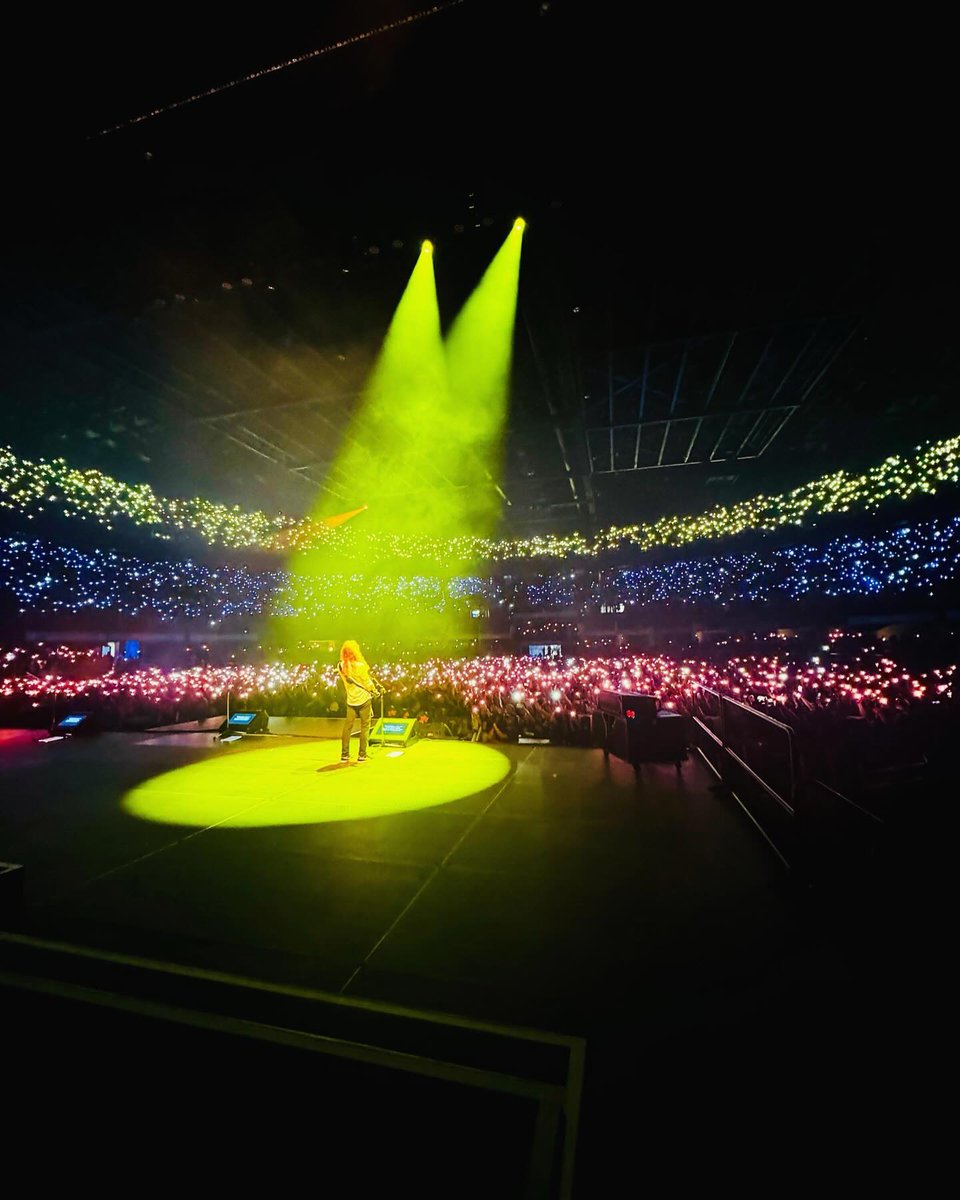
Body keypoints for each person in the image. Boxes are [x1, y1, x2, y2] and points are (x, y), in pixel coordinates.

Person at [337, 640, 383, 762]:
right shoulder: (360, 666)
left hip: (351, 700)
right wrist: (375, 691)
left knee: (348, 727)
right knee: (365, 727)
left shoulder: (341, 666)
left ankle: (344, 755)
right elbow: (367, 682)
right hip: (364, 699)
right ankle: (362, 754)